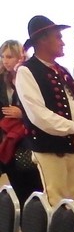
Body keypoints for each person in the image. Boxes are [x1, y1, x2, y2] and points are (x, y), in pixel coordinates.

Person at [15, 15, 74, 207]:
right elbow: (38, 115)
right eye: (58, 37)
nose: (62, 42)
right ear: (43, 40)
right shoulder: (26, 71)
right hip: (49, 149)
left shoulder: (62, 70)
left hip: (73, 145)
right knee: (56, 201)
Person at [0, 39, 43, 206]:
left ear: (20, 57)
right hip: (8, 140)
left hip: (29, 138)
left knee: (36, 188)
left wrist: (22, 113)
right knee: (18, 189)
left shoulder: (30, 75)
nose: (5, 61)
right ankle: (25, 220)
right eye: (3, 56)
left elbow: (43, 106)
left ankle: (39, 219)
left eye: (9, 56)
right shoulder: (1, 79)